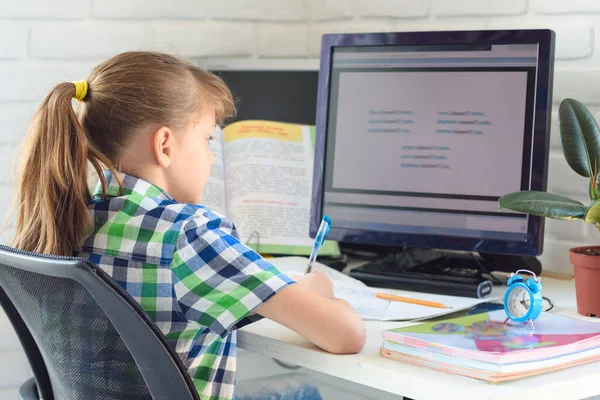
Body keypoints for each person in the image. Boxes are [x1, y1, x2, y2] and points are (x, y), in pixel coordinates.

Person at [12, 51, 365, 399]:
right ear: (164, 145)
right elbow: (346, 335)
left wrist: (286, 290)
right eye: (207, 138)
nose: (211, 155)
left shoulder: (69, 217)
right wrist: (320, 292)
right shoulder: (189, 234)